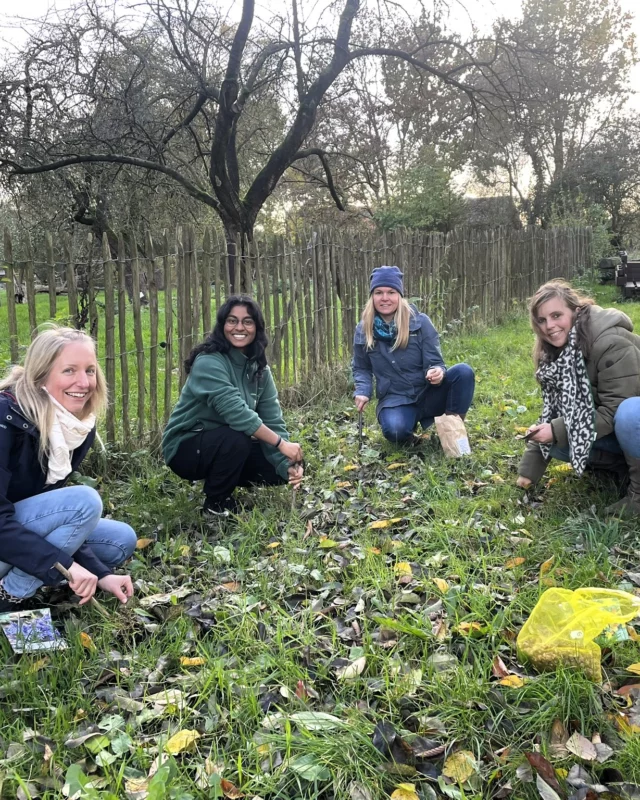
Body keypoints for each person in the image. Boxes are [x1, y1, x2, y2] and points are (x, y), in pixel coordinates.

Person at [0, 327, 136, 613]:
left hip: (16, 530)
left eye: (90, 370)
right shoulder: (6, 420)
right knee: (84, 502)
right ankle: (10, 596)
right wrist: (69, 565)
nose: (84, 382)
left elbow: (56, 510)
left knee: (119, 541)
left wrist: (101, 574)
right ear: (41, 376)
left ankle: (37, 571)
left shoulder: (74, 424)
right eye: (69, 370)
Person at [162, 295, 304, 516]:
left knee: (285, 464)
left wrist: (287, 463)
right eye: (232, 320)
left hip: (224, 443)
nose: (239, 327)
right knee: (236, 438)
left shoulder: (258, 369)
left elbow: (272, 418)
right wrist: (280, 444)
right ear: (222, 325)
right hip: (186, 446)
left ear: (257, 327)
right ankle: (215, 504)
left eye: (247, 321)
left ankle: (223, 476)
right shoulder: (209, 361)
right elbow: (236, 413)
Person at [517, 280, 640, 515]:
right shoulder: (557, 354)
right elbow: (553, 411)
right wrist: (529, 471)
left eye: (556, 315)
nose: (549, 326)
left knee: (629, 414)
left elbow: (613, 410)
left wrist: (556, 430)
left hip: (632, 417)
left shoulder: (610, 342)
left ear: (575, 310)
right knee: (557, 441)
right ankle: (624, 470)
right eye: (541, 320)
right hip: (618, 427)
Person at [352, 266, 475, 444]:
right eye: (379, 292)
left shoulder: (420, 322)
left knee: (463, 372)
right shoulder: (364, 329)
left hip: (428, 393)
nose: (385, 298)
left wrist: (437, 372)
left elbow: (435, 361)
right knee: (395, 431)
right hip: (395, 399)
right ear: (372, 296)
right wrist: (363, 391)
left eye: (391, 292)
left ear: (399, 295)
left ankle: (452, 435)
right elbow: (361, 367)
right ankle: (409, 435)